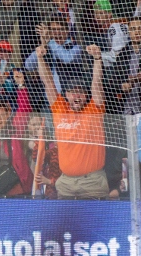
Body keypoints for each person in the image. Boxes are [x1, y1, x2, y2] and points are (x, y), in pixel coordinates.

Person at [37, 42, 109, 199]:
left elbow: (97, 83)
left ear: (86, 95)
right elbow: (48, 82)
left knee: (95, 223)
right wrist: (40, 58)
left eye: (80, 92)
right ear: (66, 95)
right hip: (66, 183)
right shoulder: (59, 108)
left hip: (92, 182)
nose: (76, 96)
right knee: (68, 223)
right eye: (72, 92)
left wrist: (97, 58)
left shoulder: (94, 109)